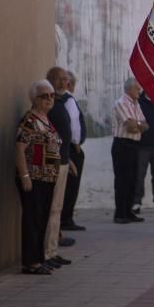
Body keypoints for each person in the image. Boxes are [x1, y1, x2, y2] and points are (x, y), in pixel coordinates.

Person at [15, 79, 61, 275]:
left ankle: (40, 258)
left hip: (48, 177)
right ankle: (30, 262)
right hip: (34, 177)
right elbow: (19, 148)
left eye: (52, 96)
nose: (49, 99)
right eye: (44, 96)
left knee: (42, 219)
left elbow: (52, 145)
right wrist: (24, 175)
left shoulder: (46, 119)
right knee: (32, 219)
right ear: (34, 99)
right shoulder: (29, 120)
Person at [43, 67, 76, 269]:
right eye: (60, 79)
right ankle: (46, 252)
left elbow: (63, 137)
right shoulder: (51, 106)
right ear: (50, 80)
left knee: (57, 209)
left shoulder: (61, 102)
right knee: (51, 209)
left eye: (66, 79)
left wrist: (69, 158)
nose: (64, 83)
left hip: (63, 161)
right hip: (53, 164)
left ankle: (52, 251)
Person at [112, 77, 148, 224]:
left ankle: (129, 211)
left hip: (134, 144)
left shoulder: (136, 104)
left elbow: (145, 125)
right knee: (122, 180)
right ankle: (120, 213)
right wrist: (137, 125)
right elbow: (130, 125)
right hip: (122, 144)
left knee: (133, 179)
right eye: (137, 88)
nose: (139, 91)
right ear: (129, 89)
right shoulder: (121, 103)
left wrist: (137, 125)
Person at [60, 70, 87, 232]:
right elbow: (74, 126)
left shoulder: (60, 99)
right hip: (71, 148)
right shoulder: (68, 100)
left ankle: (65, 218)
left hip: (66, 146)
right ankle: (66, 219)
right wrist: (76, 145)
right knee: (71, 185)